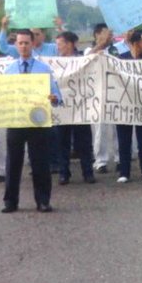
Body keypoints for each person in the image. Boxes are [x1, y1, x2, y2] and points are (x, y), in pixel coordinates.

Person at [0, 30, 62, 213]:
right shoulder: (8, 70)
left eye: (26, 43)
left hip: (38, 122)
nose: (23, 46)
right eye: (20, 43)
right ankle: (10, 201)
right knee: (13, 162)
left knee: (40, 162)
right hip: (16, 121)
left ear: (32, 43)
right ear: (16, 45)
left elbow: (58, 96)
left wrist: (53, 98)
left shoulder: (44, 69)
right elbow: (2, 95)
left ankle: (43, 200)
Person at [54, 30, 96, 184]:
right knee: (62, 142)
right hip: (62, 107)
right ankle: (64, 173)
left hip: (80, 106)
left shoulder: (83, 60)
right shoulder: (54, 62)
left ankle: (88, 172)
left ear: (70, 44)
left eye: (60, 44)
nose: (58, 48)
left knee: (84, 141)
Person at [115, 30, 142, 182]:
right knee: (124, 140)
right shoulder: (121, 60)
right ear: (135, 44)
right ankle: (124, 172)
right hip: (124, 105)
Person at [88, 23, 118, 172]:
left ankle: (120, 157)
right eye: (106, 33)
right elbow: (85, 59)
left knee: (117, 126)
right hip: (97, 94)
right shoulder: (91, 50)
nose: (109, 36)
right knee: (100, 128)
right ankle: (100, 161)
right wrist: (100, 46)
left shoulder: (114, 49)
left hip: (115, 92)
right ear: (97, 34)